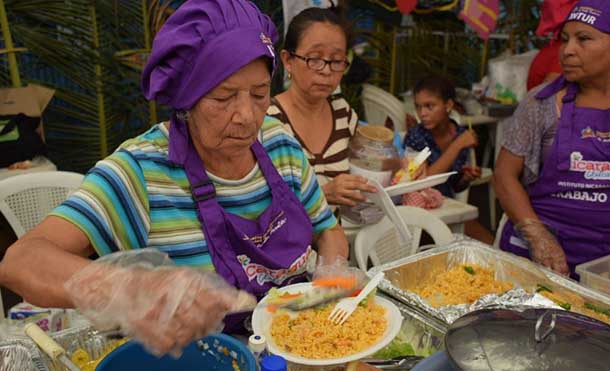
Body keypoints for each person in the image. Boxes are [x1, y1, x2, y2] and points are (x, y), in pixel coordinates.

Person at [0, 0, 349, 356]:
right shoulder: (140, 172)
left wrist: (330, 277)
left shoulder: (279, 145)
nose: (247, 115)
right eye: (223, 96)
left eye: (259, 94)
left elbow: (328, 230)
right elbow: (20, 262)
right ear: (187, 97)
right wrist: (130, 289)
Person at [494, 0, 610, 276]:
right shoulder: (541, 103)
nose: (567, 51)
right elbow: (504, 175)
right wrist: (538, 237)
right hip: (536, 258)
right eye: (565, 40)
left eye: (584, 39)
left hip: (602, 265)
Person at [266, 7, 377, 208]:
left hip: (335, 237)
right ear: (288, 60)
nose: (326, 70)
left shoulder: (343, 113)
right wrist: (322, 194)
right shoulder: (267, 121)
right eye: (315, 59)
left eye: (336, 61)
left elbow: (368, 167)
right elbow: (256, 204)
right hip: (286, 240)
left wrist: (401, 168)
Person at [403, 76, 494, 244]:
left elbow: (454, 185)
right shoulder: (416, 136)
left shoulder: (460, 134)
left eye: (429, 106)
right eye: (418, 106)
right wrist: (457, 146)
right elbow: (424, 180)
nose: (422, 113)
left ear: (448, 105)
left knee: (489, 244)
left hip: (447, 207)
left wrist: (465, 178)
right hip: (420, 211)